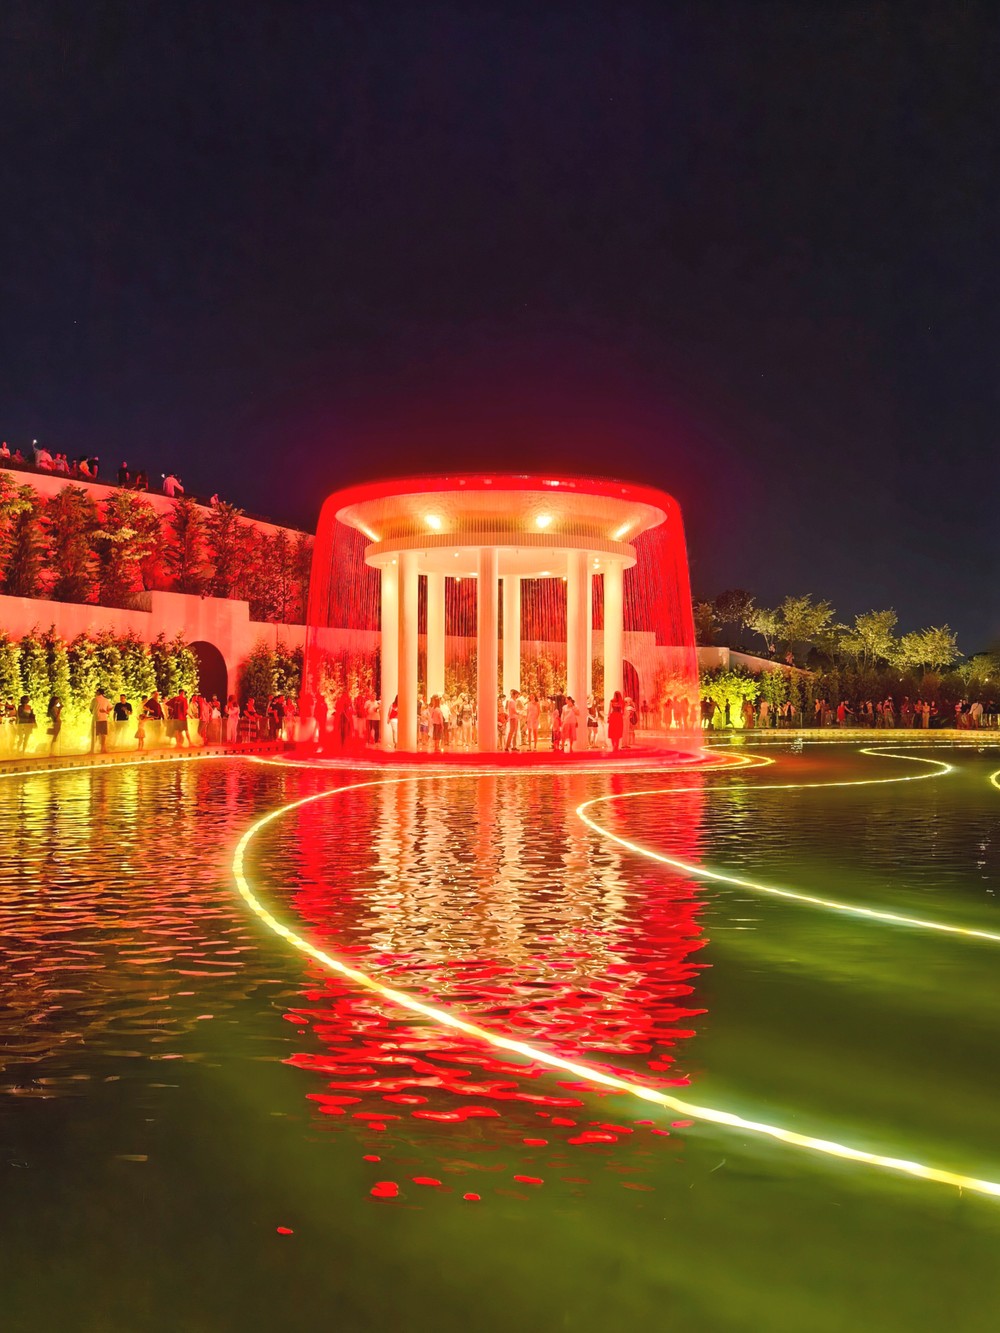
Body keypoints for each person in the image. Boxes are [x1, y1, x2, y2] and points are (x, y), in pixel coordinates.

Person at [92, 688, 111, 754]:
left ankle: (94, 749)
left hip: (96, 719)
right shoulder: (106, 700)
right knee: (103, 734)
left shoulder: (94, 699)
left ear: (98, 692)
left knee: (96, 734)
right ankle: (103, 748)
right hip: (104, 718)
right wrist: (106, 711)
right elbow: (110, 707)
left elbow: (91, 709)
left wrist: (94, 712)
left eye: (96, 691)